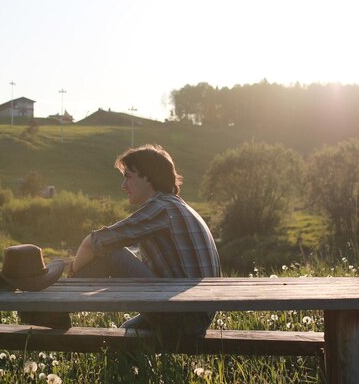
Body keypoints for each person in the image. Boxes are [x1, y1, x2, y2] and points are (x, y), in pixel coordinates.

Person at [21, 144, 221, 336]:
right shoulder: (175, 206)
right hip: (193, 315)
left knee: (110, 252)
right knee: (127, 331)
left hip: (184, 317)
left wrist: (73, 270)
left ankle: (56, 309)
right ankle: (58, 311)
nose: (123, 185)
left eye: (128, 177)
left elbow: (93, 242)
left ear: (148, 178)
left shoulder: (161, 208)